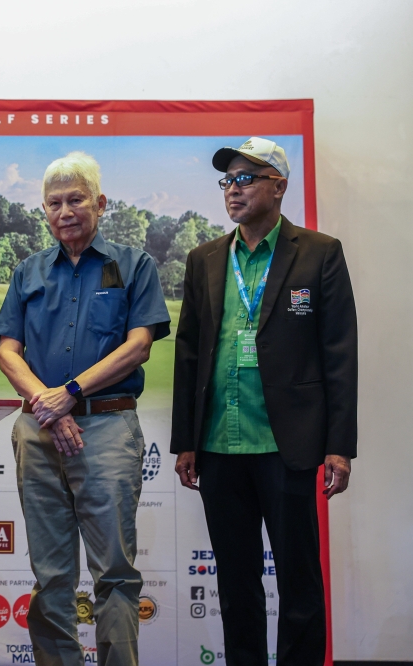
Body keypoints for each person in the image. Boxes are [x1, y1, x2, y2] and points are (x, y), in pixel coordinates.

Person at [171, 137, 357, 665]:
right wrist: (185, 440)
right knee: (235, 583)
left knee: (299, 583)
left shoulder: (319, 252)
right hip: (218, 447)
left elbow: (340, 355)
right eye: (227, 180)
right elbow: (189, 355)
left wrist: (339, 446)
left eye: (246, 178)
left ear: (279, 185)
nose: (234, 190)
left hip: (288, 446)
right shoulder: (205, 258)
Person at [0, 151, 170, 666]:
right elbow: (8, 352)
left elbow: (138, 346)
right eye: (54, 203)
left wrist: (68, 392)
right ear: (44, 211)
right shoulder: (28, 271)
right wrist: (51, 406)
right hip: (39, 429)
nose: (65, 211)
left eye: (76, 200)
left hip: (109, 426)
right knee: (50, 574)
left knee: (114, 572)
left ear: (100, 203)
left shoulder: (134, 265)